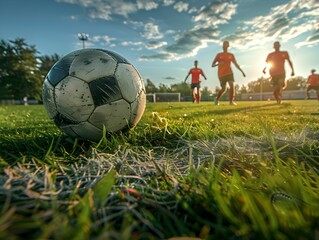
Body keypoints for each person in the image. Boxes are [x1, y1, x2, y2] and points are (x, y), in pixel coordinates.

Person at [211, 41, 246, 106]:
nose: (225, 46)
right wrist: (218, 64)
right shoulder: (219, 55)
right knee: (224, 89)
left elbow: (236, 64)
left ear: (228, 46)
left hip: (229, 73)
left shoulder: (231, 55)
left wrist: (242, 71)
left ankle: (231, 101)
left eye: (226, 45)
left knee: (232, 85)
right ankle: (217, 99)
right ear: (222, 46)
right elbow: (212, 65)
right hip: (221, 74)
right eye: (224, 45)